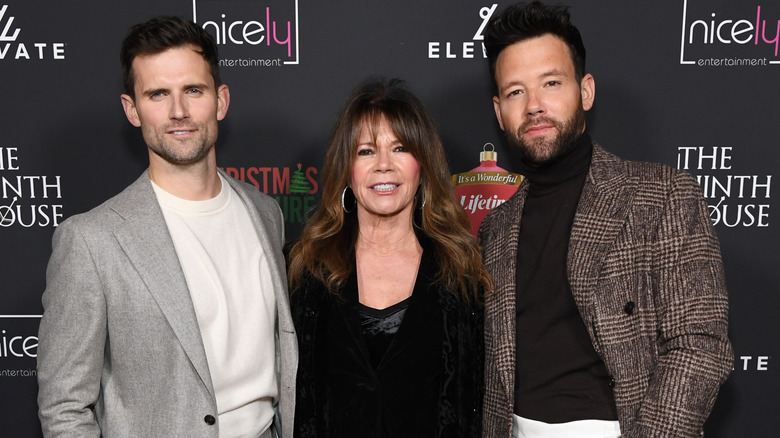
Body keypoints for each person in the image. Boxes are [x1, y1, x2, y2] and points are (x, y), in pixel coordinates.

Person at [479, 2, 732, 437]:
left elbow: (701, 346)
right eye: (516, 91)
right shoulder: (494, 229)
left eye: (551, 83)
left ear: (586, 91)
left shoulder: (663, 195)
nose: (535, 105)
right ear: (500, 111)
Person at [36, 16, 297, 438]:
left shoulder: (265, 212)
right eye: (158, 94)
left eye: (193, 90)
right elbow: (65, 406)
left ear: (221, 100)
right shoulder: (91, 240)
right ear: (132, 109)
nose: (178, 112)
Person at [286, 77, 491, 437]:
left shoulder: (459, 271)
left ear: (422, 165)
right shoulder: (309, 269)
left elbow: (470, 408)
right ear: (347, 169)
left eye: (400, 148)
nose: (383, 164)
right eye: (366, 151)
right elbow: (302, 405)